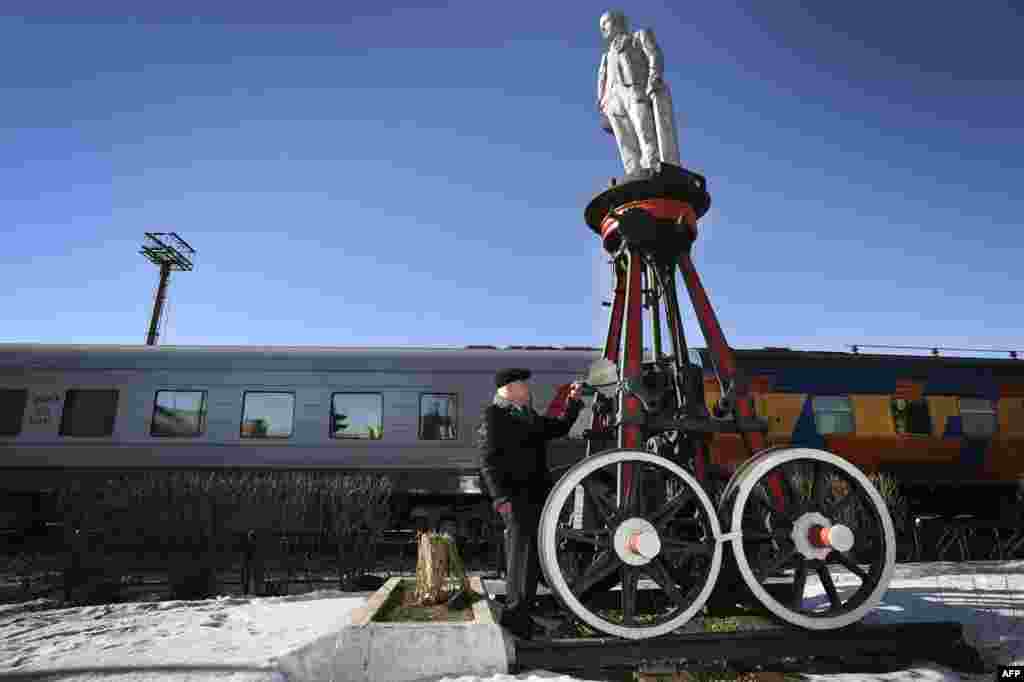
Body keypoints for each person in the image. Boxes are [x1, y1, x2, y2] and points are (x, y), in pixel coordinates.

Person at [477, 368, 585, 639]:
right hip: (514, 499)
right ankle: (516, 619)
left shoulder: (525, 415)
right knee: (520, 559)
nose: (528, 390)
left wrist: (573, 402)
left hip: (535, 497)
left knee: (530, 560)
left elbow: (556, 427)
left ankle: (521, 616)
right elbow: (487, 462)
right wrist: (501, 501)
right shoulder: (495, 415)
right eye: (524, 386)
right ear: (510, 388)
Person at [597, 9, 680, 176]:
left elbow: (654, 54)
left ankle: (652, 166)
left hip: (634, 91)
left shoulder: (638, 37)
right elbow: (604, 80)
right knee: (625, 140)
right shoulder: (606, 56)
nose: (603, 28)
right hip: (614, 101)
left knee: (644, 131)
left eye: (606, 22)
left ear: (618, 21)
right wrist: (603, 104)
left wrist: (654, 76)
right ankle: (633, 172)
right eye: (601, 26)